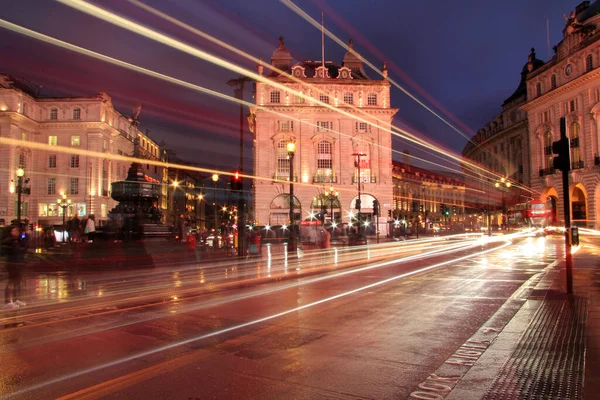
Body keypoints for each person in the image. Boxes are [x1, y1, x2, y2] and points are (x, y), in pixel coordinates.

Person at [2, 226, 26, 309]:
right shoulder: (9, 241)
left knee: (17, 282)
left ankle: (16, 299)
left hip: (18, 263)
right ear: (10, 232)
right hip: (12, 264)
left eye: (17, 230)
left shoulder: (18, 240)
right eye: (14, 230)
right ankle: (7, 301)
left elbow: (22, 250)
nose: (16, 232)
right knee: (11, 282)